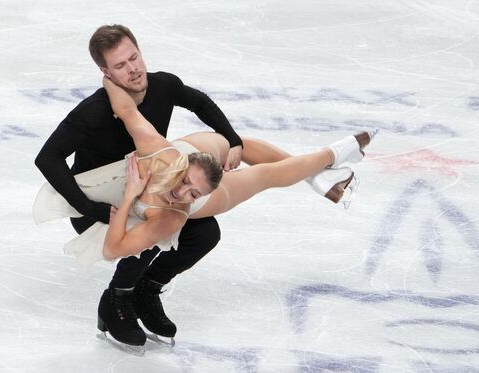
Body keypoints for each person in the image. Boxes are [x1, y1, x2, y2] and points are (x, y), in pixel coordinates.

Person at [34, 75, 377, 345]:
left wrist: (335, 152)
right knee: (233, 145)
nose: (179, 193)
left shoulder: (178, 212)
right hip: (182, 154)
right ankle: (118, 298)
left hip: (203, 179)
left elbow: (113, 248)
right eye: (183, 181)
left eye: (190, 193)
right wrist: (110, 78)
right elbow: (127, 110)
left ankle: (143, 290)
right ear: (181, 164)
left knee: (251, 188)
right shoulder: (161, 152)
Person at [34, 24, 245, 347]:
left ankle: (147, 289)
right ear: (105, 71)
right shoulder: (94, 111)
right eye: (120, 65)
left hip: (147, 191)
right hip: (99, 204)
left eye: (134, 57)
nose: (133, 69)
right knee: (153, 227)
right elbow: (47, 158)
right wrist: (89, 207)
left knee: (205, 234)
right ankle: (116, 299)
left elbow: (200, 102)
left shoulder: (163, 86)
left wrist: (232, 139)